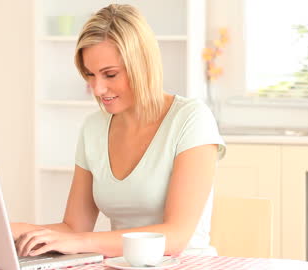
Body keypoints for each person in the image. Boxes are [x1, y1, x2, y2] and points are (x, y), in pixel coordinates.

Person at [12, 4, 226, 258]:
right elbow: (74, 228)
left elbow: (175, 238)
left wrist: (81, 243)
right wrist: (8, 229)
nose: (98, 89)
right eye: (90, 75)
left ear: (142, 65)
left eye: (110, 75)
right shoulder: (94, 128)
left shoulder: (191, 119)